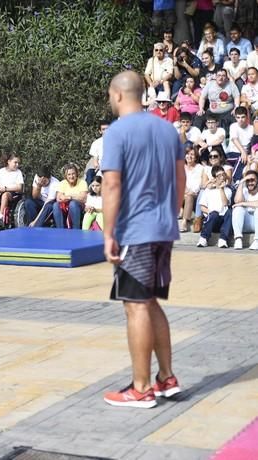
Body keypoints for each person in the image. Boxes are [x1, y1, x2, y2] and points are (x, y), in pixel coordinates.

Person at [102, 70, 185, 408]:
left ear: (118, 94)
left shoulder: (117, 132)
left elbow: (111, 184)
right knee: (150, 301)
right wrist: (169, 214)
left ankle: (141, 388)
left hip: (134, 231)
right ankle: (166, 378)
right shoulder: (168, 130)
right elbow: (181, 179)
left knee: (135, 306)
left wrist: (108, 234)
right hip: (163, 229)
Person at [197, 166, 233, 247]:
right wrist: (211, 212)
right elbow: (202, 207)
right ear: (215, 178)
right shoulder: (208, 191)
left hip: (223, 221)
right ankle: (203, 238)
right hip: (211, 219)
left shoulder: (228, 190)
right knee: (214, 214)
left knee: (229, 212)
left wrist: (221, 189)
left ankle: (223, 239)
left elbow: (225, 203)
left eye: (223, 174)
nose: (222, 177)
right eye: (219, 175)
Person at [0, 153, 24, 224]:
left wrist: (5, 188)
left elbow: (19, 187)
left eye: (18, 163)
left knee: (5, 195)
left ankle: (0, 217)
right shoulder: (0, 171)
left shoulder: (18, 173)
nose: (17, 165)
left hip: (12, 193)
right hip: (0, 191)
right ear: (9, 162)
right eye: (15, 162)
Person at [52, 163, 88, 229]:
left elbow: (84, 198)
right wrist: (73, 196)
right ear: (66, 176)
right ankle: (60, 230)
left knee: (73, 203)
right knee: (55, 205)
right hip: (65, 207)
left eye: (73, 174)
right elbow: (58, 198)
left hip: (79, 207)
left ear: (76, 174)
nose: (71, 176)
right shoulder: (62, 183)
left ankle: (75, 230)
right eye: (69, 174)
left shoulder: (82, 183)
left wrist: (70, 197)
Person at [231, 170, 258, 249]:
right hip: (246, 223)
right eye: (248, 180)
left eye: (252, 180)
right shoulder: (244, 190)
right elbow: (237, 201)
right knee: (237, 209)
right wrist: (241, 182)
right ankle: (238, 239)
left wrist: (244, 203)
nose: (250, 183)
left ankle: (257, 240)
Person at [181, 145, 204, 232]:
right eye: (187, 154)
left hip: (194, 195)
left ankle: (184, 222)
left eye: (192, 154)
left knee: (189, 196)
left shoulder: (200, 168)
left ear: (196, 157)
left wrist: (191, 191)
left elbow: (200, 184)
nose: (189, 156)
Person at [85, 120, 110, 184]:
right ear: (100, 131)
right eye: (103, 129)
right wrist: (97, 165)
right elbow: (95, 161)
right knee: (90, 174)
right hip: (102, 170)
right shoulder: (96, 143)